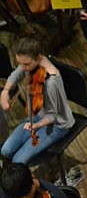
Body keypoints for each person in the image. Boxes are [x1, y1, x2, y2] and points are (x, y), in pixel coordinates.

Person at [0, 29, 75, 167]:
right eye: (20, 63)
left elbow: (53, 115)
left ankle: (45, 170)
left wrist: (37, 126)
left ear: (38, 57)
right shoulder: (29, 63)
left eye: (26, 64)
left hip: (57, 124)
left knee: (18, 161)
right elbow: (16, 75)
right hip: (36, 116)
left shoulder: (52, 82)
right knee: (5, 150)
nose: (23, 68)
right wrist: (5, 91)